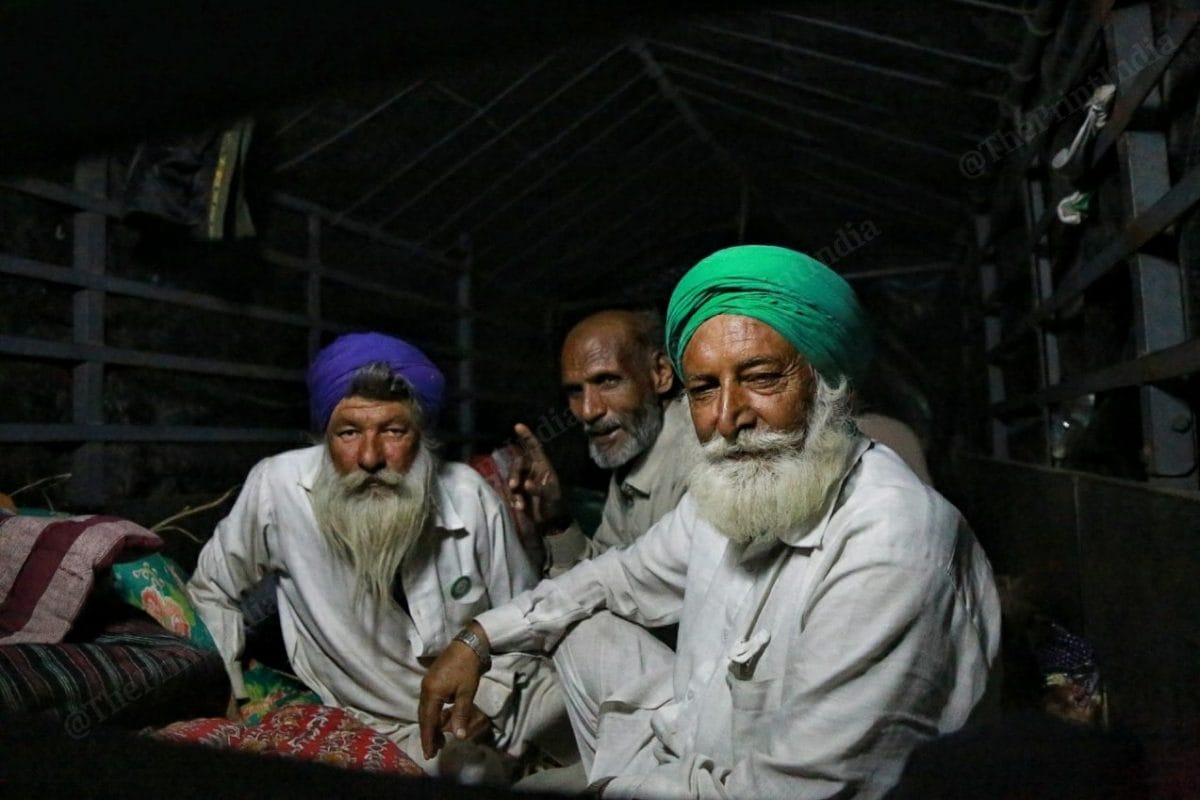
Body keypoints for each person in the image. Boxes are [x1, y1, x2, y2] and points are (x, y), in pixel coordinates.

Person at [418, 246, 1001, 799]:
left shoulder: (890, 544)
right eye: (704, 388)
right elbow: (615, 577)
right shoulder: (730, 492)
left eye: (762, 377)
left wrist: (611, 788)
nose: (726, 418)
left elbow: (789, 792)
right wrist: (478, 638)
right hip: (695, 742)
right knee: (581, 621)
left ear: (828, 384)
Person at [187, 332, 570, 777]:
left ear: (421, 437)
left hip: (507, 700)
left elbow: (524, 616)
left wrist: (488, 700)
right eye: (349, 432)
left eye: (393, 431)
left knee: (611, 712)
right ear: (325, 438)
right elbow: (212, 589)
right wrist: (229, 695)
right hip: (393, 728)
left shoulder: (469, 495)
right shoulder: (277, 489)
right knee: (470, 774)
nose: (370, 457)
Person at [509, 309, 695, 576]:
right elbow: (605, 577)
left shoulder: (698, 463)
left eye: (608, 381)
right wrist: (556, 522)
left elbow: (654, 593)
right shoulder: (633, 458)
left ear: (660, 373)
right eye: (575, 391)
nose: (588, 411)